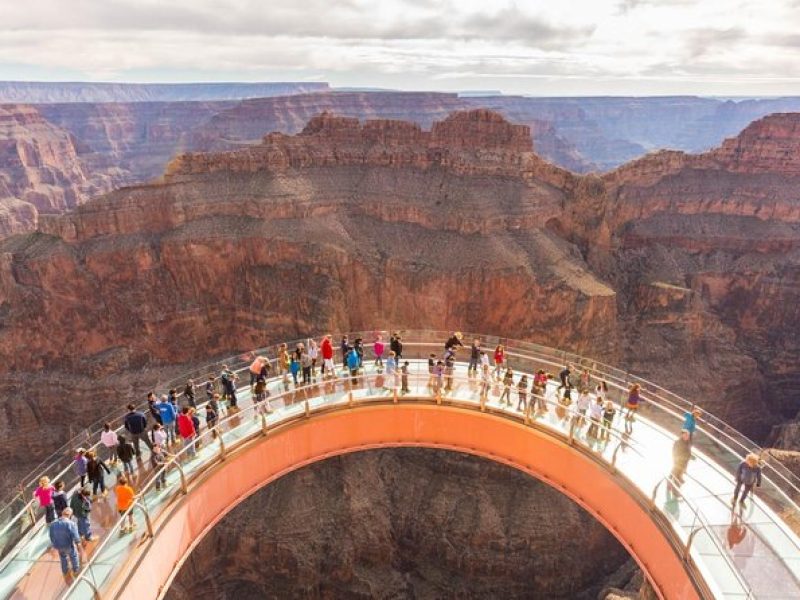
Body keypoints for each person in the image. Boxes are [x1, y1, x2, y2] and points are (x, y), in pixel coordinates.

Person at [48, 507, 81, 577]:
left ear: (62, 514)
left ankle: (65, 571)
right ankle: (76, 570)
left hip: (59, 546)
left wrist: (54, 544)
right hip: (68, 545)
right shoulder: (71, 524)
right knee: (74, 556)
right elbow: (75, 535)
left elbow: (51, 535)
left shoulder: (53, 524)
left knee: (63, 557)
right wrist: (78, 544)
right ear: (70, 515)